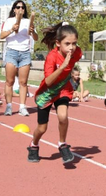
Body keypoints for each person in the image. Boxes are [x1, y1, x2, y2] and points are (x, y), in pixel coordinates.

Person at [27, 22, 82, 164]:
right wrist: (63, 66)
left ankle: (62, 144)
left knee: (63, 117)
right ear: (58, 43)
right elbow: (49, 81)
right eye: (67, 43)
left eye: (74, 43)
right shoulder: (51, 57)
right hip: (47, 92)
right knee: (42, 128)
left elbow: (75, 57)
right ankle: (33, 145)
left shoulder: (76, 53)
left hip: (63, 89)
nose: (71, 47)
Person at [0, 0, 38, 116]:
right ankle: (9, 106)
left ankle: (22, 107)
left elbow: (36, 38)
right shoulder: (9, 21)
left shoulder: (28, 21)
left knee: (23, 82)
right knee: (9, 81)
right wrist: (12, 29)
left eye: (23, 7)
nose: (20, 9)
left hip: (25, 53)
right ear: (14, 9)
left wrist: (32, 32)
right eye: (18, 7)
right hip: (12, 52)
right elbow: (1, 36)